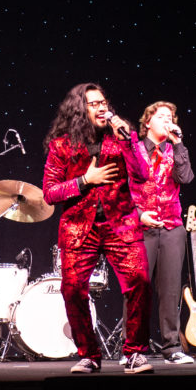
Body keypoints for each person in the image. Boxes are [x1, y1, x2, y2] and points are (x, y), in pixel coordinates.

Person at [42, 82, 153, 374]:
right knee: (72, 289)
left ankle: (134, 353)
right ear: (80, 110)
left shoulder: (120, 140)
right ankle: (89, 354)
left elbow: (143, 173)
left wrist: (129, 140)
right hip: (79, 227)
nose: (102, 108)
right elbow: (50, 193)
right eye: (94, 104)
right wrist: (84, 181)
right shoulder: (61, 145)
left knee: (139, 281)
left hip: (121, 224)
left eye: (104, 102)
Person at [131, 101, 195, 364]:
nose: (168, 120)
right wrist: (138, 215)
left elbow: (186, 178)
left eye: (171, 117)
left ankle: (171, 348)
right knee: (137, 290)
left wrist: (179, 144)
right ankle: (133, 349)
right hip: (140, 227)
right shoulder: (132, 150)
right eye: (161, 116)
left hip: (171, 228)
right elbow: (119, 192)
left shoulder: (175, 149)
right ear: (148, 122)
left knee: (170, 291)